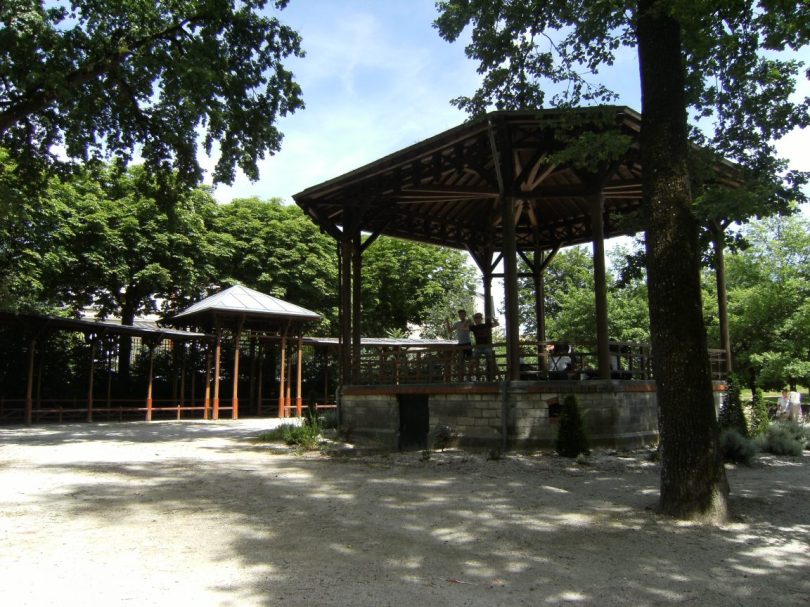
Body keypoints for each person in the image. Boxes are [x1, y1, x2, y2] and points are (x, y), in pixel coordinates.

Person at [470, 313, 498, 380]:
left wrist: (491, 317)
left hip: (486, 346)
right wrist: (469, 320)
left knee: (491, 361)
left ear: (481, 318)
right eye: (476, 318)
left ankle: (495, 376)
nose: (478, 319)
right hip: (478, 347)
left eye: (479, 317)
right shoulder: (473, 327)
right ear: (474, 319)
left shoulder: (486, 325)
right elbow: (463, 328)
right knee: (472, 362)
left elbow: (497, 324)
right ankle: (471, 377)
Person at [444, 309, 472, 379]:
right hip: (460, 344)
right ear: (459, 316)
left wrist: (468, 321)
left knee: (471, 360)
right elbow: (450, 331)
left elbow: (472, 328)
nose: (462, 316)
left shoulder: (469, 322)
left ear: (465, 314)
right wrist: (447, 322)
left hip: (467, 343)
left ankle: (470, 376)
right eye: (460, 314)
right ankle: (460, 377)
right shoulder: (457, 323)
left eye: (463, 314)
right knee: (460, 360)